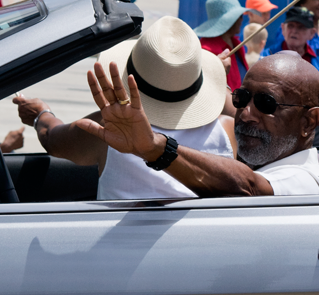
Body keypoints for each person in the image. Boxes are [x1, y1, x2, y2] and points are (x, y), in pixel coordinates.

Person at [13, 17, 237, 200]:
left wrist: (40, 114)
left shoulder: (108, 129)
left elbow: (52, 139)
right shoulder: (229, 131)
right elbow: (229, 108)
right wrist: (219, 81)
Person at [75, 53, 319, 197]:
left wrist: (155, 148)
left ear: (308, 122)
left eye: (266, 104)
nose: (245, 114)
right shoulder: (269, 152)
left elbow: (249, 188)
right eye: (241, 98)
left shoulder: (310, 179)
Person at [262, 7, 319, 149]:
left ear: (312, 33)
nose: (295, 31)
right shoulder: (267, 56)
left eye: (301, 27)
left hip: (318, 129)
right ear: (283, 28)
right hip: (278, 127)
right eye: (291, 26)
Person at [195, 0, 251, 91]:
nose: (242, 19)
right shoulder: (207, 50)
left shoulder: (237, 44)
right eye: (240, 16)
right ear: (229, 20)